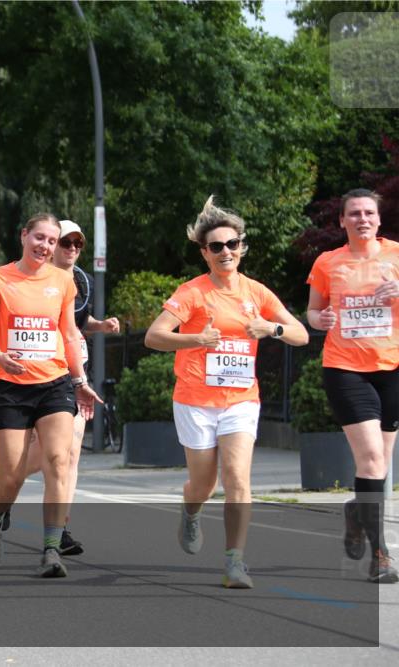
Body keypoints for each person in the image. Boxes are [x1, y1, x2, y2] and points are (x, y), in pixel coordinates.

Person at [145, 196, 308, 589]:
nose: (225, 252)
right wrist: (196, 339)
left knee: (237, 478)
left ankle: (235, 561)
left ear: (242, 247)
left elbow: (301, 335)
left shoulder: (258, 293)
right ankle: (191, 510)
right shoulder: (192, 293)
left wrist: (273, 329)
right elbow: (153, 337)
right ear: (204, 253)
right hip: (195, 401)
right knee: (204, 484)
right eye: (216, 246)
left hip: (240, 400)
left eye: (231, 244)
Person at [0, 213, 100, 579]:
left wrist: (79, 381)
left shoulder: (63, 281)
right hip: (11, 386)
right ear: (24, 235)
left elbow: (68, 334)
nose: (45, 246)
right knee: (10, 477)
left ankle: (51, 550)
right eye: (39, 238)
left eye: (51, 240)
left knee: (59, 460)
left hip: (54, 382)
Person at [306, 188, 399, 584]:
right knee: (372, 461)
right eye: (354, 214)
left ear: (379, 220)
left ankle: (356, 512)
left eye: (369, 213)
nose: (363, 219)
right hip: (345, 368)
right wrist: (319, 320)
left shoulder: (397, 255)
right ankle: (381, 555)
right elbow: (312, 311)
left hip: (392, 367)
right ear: (342, 221)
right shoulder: (329, 262)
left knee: (382, 466)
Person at [24, 220, 121, 555]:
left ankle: (60, 529)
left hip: (73, 376)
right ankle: (5, 491)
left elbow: (78, 325)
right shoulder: (30, 281)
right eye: (66, 243)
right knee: (36, 459)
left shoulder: (84, 282)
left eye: (78, 244)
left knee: (70, 454)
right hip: (36, 377)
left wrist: (101, 325)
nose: (72, 250)